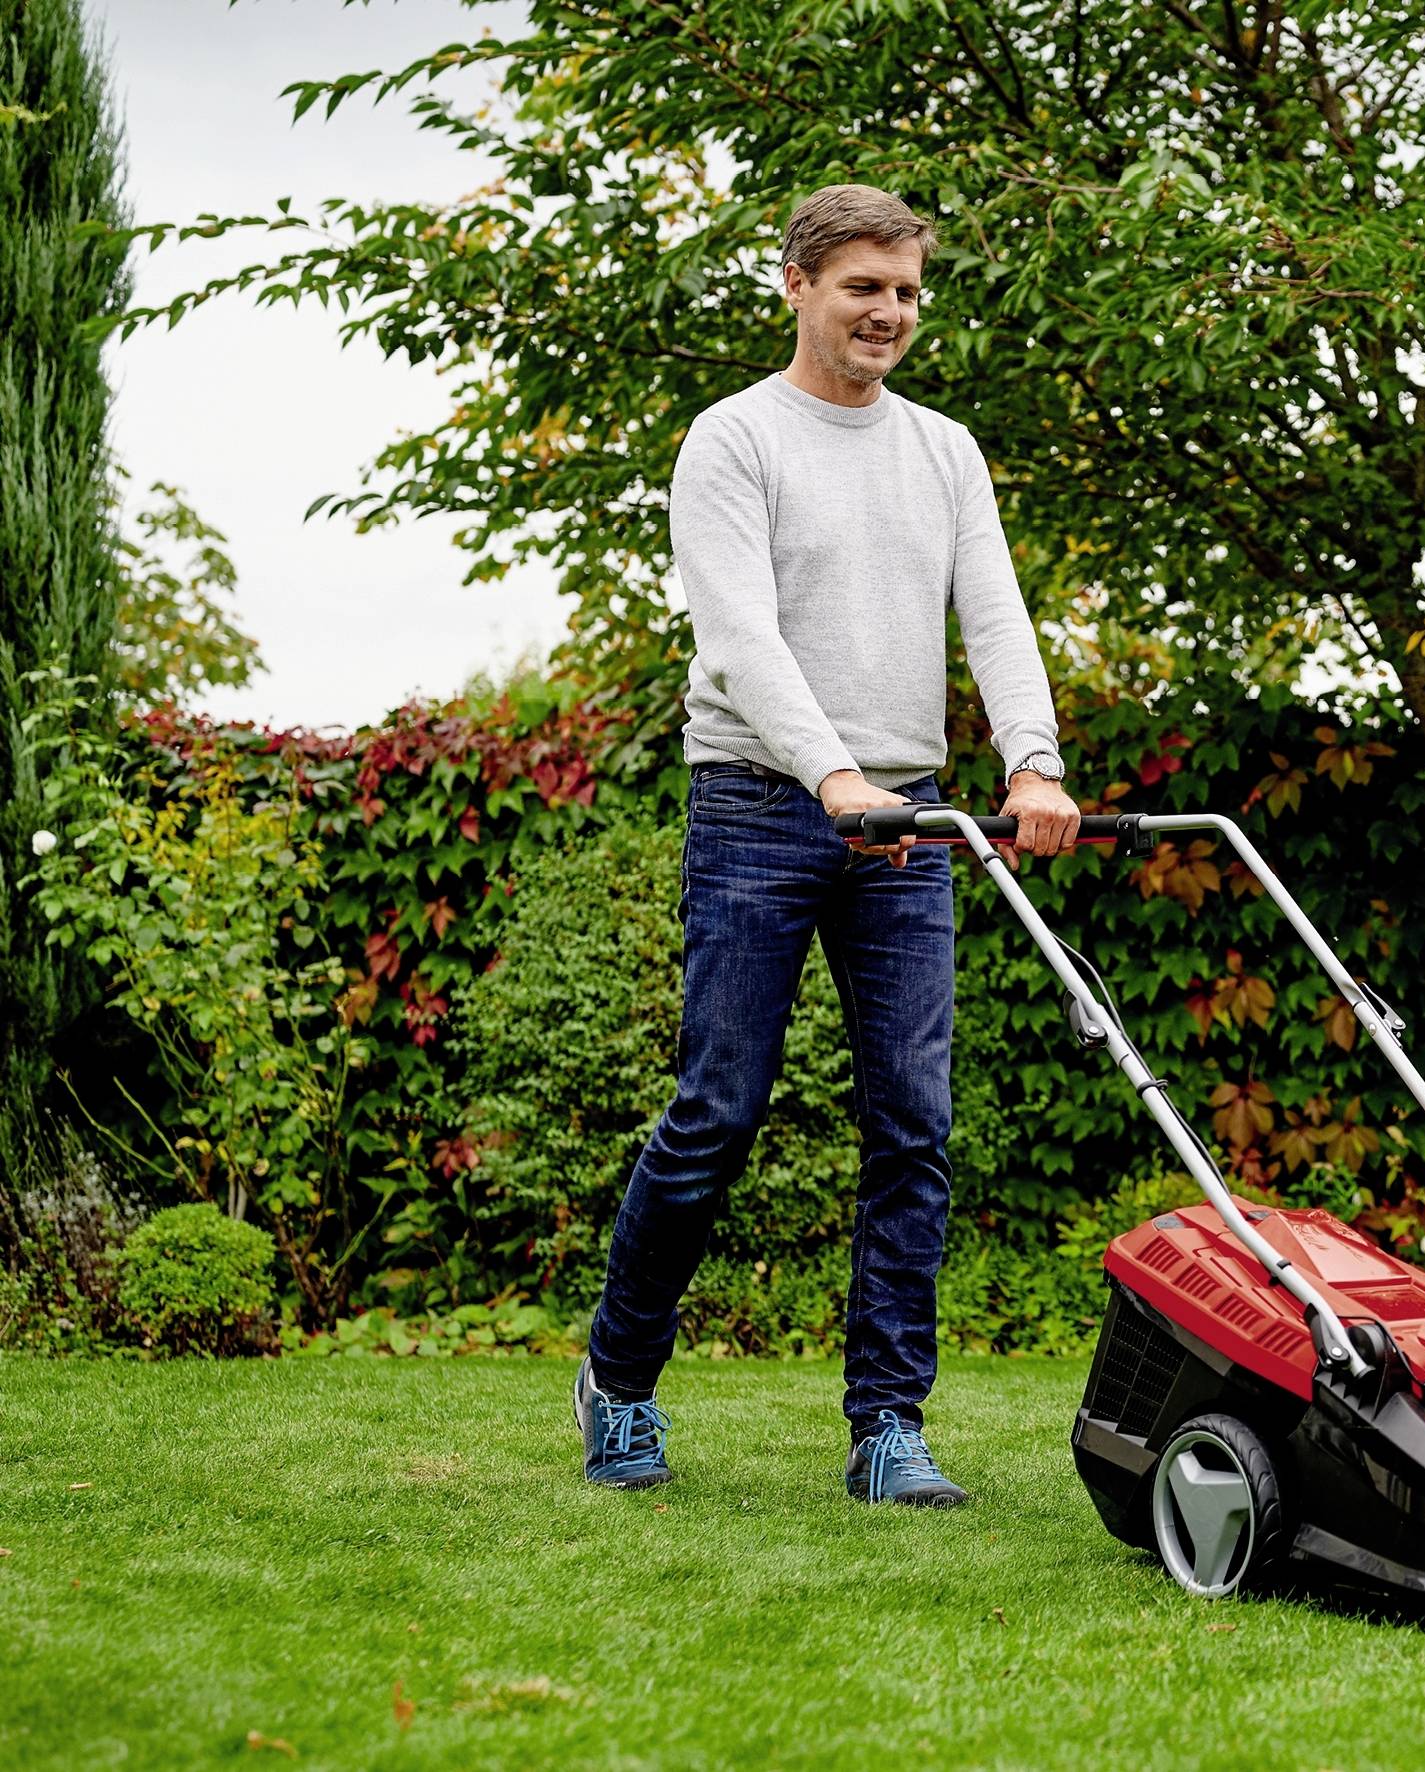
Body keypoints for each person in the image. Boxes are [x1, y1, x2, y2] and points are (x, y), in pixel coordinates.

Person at [574, 183, 1080, 1505]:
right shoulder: (734, 442)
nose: (890, 313)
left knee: (914, 1126)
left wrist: (1033, 760)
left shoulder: (944, 451)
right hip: (758, 803)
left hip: (906, 819)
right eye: (865, 287)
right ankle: (620, 1383)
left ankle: (887, 1427)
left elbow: (1000, 618)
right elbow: (739, 640)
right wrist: (833, 774)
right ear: (797, 285)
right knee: (716, 1115)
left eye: (907, 290)